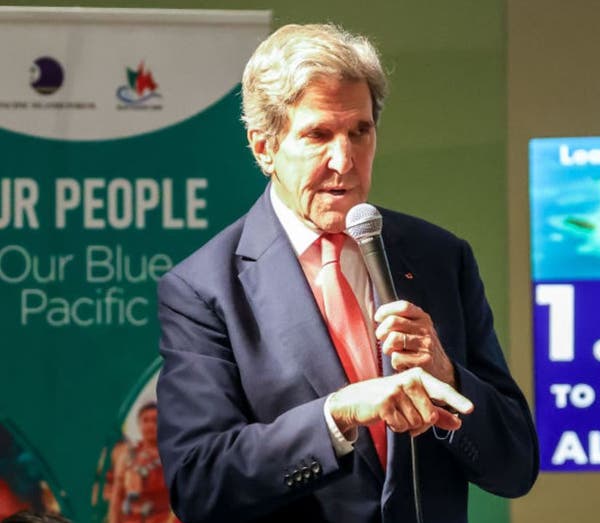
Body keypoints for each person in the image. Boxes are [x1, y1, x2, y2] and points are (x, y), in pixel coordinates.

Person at [156, 23, 538, 523]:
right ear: (264, 148)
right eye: (318, 134)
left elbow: (516, 467)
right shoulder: (204, 288)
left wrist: (447, 374)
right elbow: (199, 482)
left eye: (360, 131)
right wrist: (337, 414)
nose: (345, 159)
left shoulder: (439, 257)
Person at [107, 403, 177, 523]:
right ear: (139, 424)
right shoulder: (126, 456)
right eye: (145, 420)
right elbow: (117, 496)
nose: (150, 425)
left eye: (155, 420)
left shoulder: (173, 454)